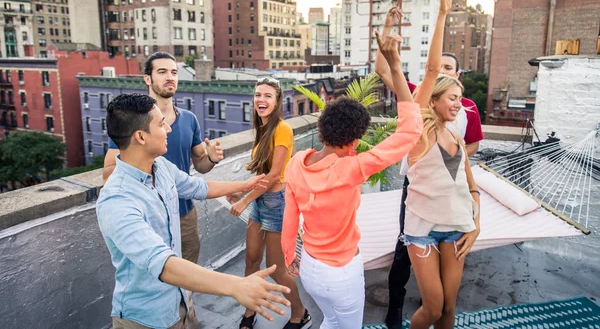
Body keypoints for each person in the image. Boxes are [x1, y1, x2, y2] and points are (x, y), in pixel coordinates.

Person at [98, 93, 292, 329]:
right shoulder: (117, 199)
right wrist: (235, 286)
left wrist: (245, 185)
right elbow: (163, 263)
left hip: (179, 304)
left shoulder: (161, 168)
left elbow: (199, 186)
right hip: (145, 318)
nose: (168, 129)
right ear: (140, 136)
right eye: (161, 124)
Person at [281, 31, 423, 329]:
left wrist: (287, 254)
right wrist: (396, 67)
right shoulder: (351, 169)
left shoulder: (296, 164)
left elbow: (290, 216)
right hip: (342, 274)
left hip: (308, 268)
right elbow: (410, 131)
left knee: (330, 321)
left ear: (323, 129)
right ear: (354, 140)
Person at [375, 0, 484, 329]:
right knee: (433, 308)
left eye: (460, 96)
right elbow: (431, 69)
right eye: (451, 96)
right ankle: (395, 309)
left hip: (458, 229)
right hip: (423, 229)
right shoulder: (420, 128)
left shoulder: (457, 131)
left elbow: (471, 188)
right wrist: (441, 13)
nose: (458, 102)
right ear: (433, 99)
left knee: (448, 310)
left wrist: (476, 225)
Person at [103, 52, 221, 267]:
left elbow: (200, 166)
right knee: (157, 277)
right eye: (162, 72)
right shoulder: (134, 120)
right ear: (147, 79)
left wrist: (211, 158)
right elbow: (110, 171)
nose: (170, 77)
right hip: (149, 217)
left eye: (174, 72)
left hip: (185, 215)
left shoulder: (189, 119)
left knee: (189, 280)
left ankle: (188, 303)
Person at [229, 77, 311, 329]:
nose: (260, 100)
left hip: (277, 203)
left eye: (267, 96)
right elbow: (262, 172)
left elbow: (275, 175)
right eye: (257, 95)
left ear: (277, 102)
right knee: (251, 259)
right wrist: (241, 190)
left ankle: (300, 313)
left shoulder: (282, 128)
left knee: (276, 268)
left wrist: (243, 201)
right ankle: (250, 309)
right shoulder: (263, 128)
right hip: (260, 199)